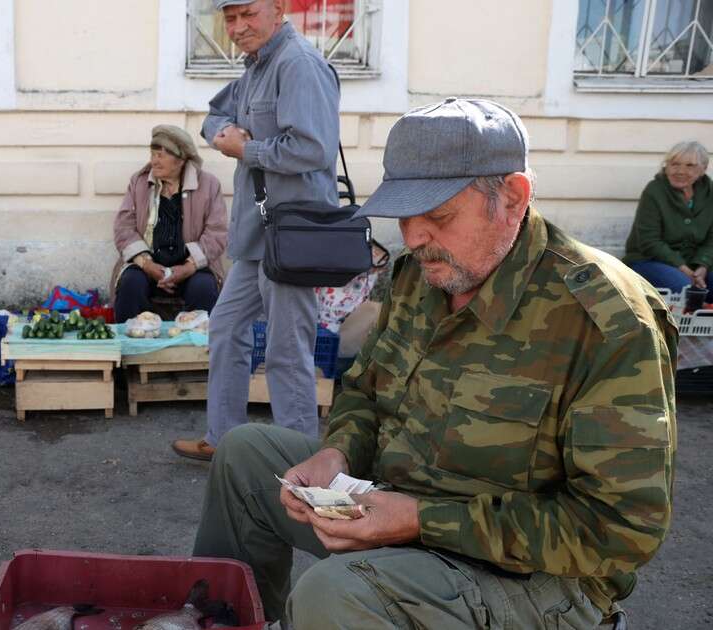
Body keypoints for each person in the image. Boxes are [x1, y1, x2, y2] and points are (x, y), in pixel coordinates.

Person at [192, 98, 677, 627]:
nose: (415, 237)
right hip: (401, 509)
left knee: (333, 594)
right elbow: (364, 392)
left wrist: (422, 521)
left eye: (439, 215)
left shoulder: (605, 318)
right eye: (404, 215)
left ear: (513, 197)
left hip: (532, 577)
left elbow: (618, 530)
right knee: (245, 454)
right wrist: (338, 453)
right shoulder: (417, 276)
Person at [172, 0, 341, 461]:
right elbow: (213, 116)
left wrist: (248, 150)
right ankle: (224, 440)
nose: (239, 26)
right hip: (257, 235)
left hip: (294, 235)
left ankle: (299, 458)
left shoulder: (298, 64)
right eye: (230, 17)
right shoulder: (255, 68)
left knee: (287, 352)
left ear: (279, 9)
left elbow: (313, 149)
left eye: (248, 13)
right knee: (225, 327)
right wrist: (226, 133)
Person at [110, 124, 228, 323]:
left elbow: (217, 232)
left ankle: (198, 349)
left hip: (192, 267)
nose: (154, 161)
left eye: (161, 155)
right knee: (131, 282)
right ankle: (129, 348)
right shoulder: (139, 183)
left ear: (180, 159)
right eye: (153, 154)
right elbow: (123, 227)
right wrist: (146, 264)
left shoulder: (208, 185)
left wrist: (189, 267)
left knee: (203, 287)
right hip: (148, 265)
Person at [623, 140, 712, 292]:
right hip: (649, 261)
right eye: (674, 164)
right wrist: (684, 268)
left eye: (690, 165)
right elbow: (650, 242)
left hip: (695, 263)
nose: (680, 171)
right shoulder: (654, 191)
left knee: (702, 288)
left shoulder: (710, 193)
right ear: (666, 166)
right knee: (684, 288)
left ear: (703, 169)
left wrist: (703, 265)